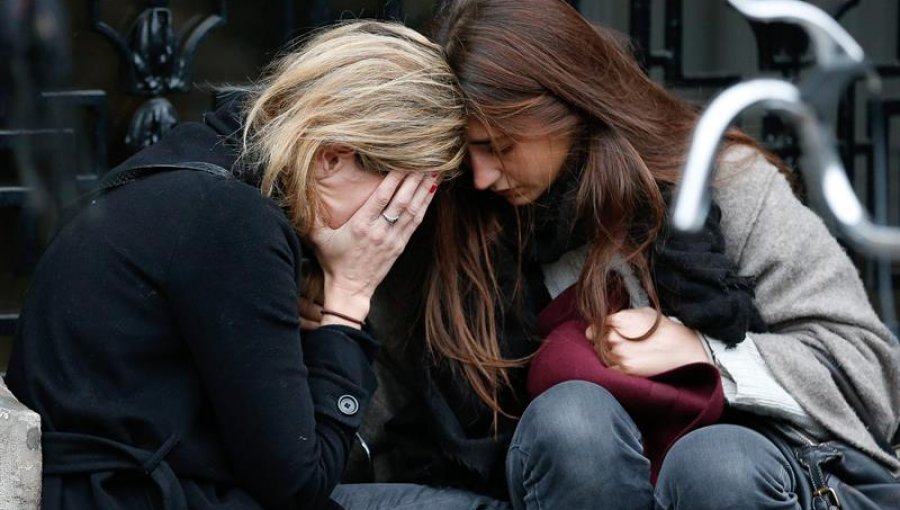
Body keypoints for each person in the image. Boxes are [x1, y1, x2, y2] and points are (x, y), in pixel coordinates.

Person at [370, 1, 900, 509]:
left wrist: (707, 354)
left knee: (715, 464)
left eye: (501, 146)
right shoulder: (459, 220)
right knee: (573, 423)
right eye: (469, 154)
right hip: (551, 479)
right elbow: (383, 422)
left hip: (749, 476)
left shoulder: (721, 183)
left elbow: (868, 372)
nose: (482, 177)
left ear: (570, 107)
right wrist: (340, 301)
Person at [3, 20, 466, 510]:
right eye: (396, 203)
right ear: (331, 158)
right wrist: (349, 297)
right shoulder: (233, 220)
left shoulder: (201, 164)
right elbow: (300, 484)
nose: (395, 227)